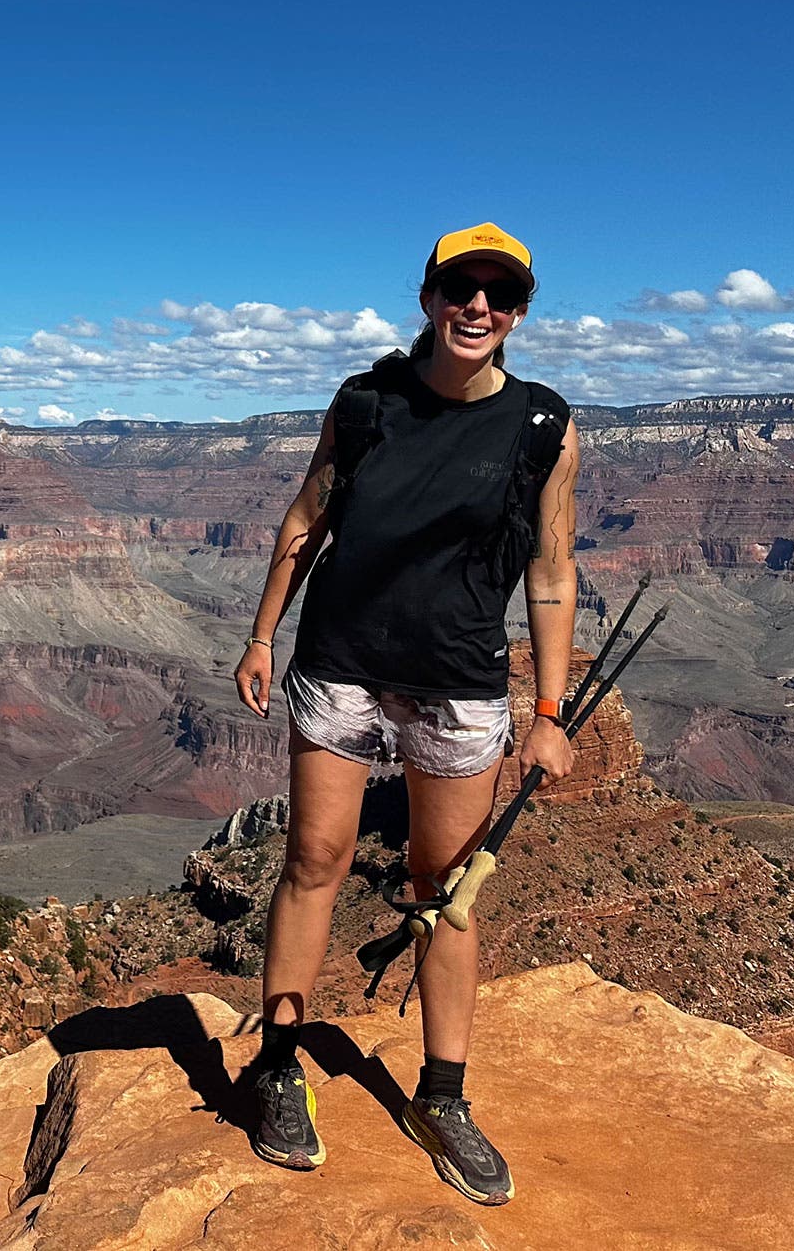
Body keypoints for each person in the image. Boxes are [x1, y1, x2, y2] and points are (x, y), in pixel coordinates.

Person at [229, 222, 580, 1206]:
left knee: (446, 891)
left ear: (518, 315)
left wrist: (548, 713)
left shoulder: (544, 428)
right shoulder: (368, 402)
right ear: (428, 297)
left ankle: (444, 1097)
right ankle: (278, 1070)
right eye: (460, 289)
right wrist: (262, 635)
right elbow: (307, 521)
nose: (478, 308)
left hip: (459, 689)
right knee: (314, 863)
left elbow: (552, 576)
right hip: (340, 665)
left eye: (499, 296)